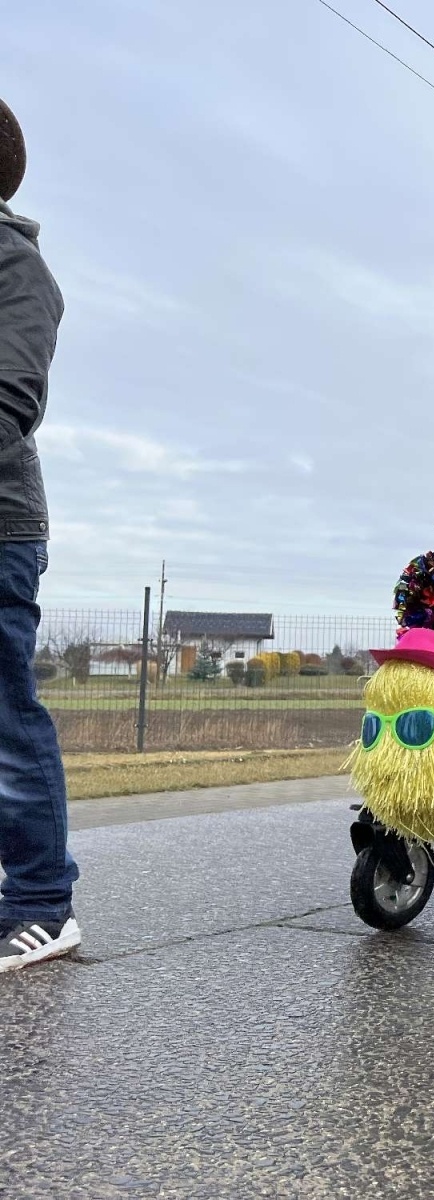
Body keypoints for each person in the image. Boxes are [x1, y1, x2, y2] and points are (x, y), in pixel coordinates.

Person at [0, 98, 79, 973]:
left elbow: (10, 404)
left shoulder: (17, 270)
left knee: (5, 720)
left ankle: (41, 903)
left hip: (0, 528)